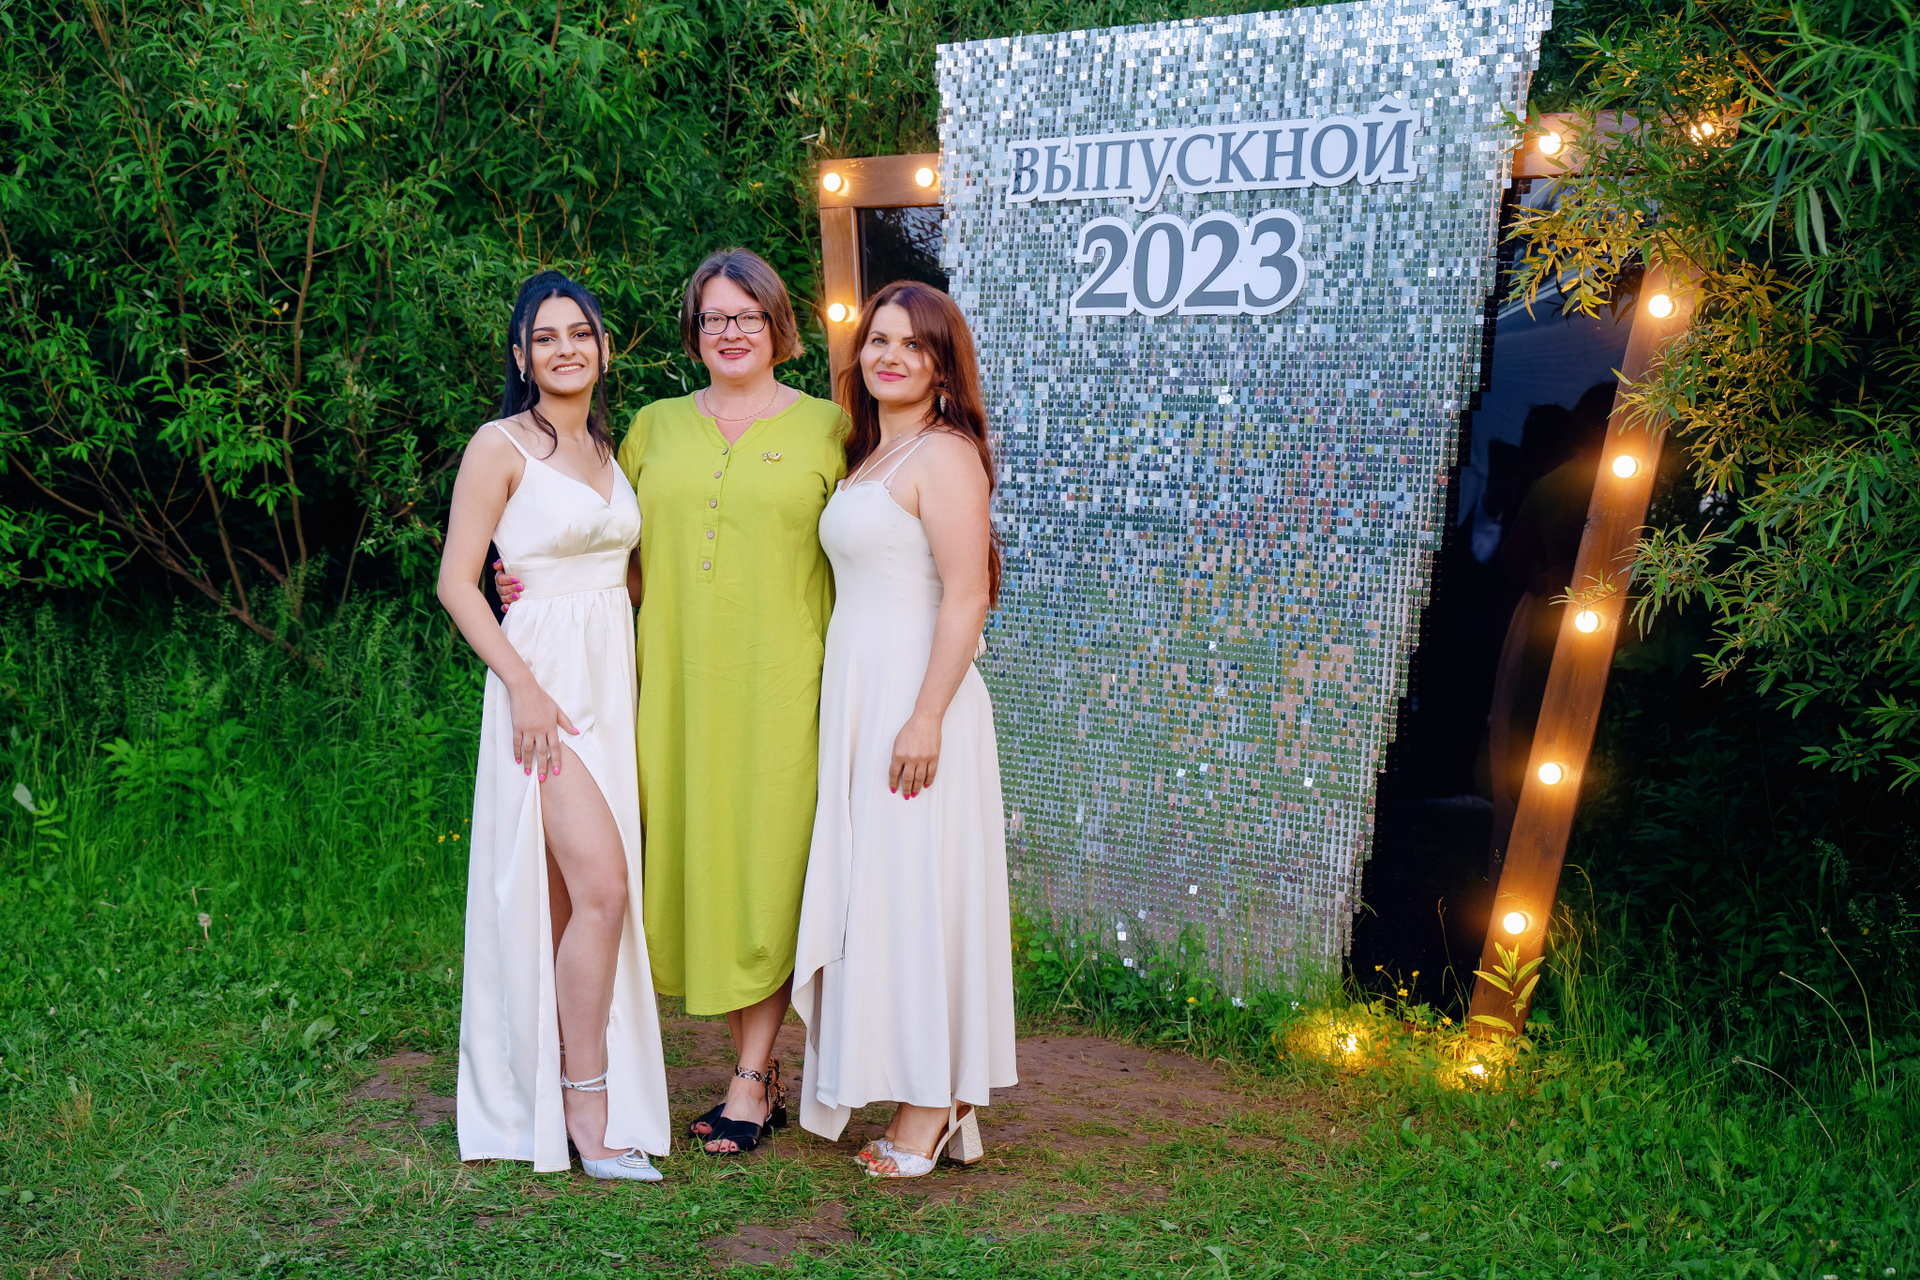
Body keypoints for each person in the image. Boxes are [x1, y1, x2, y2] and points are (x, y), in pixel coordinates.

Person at [496, 249, 846, 1155]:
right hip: (665, 690)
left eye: (748, 315)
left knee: (768, 871)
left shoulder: (830, 429)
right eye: (714, 317)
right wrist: (523, 576)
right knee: (701, 869)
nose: (732, 332)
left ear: (778, 326)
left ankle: (752, 1077)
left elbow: (871, 537)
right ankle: (735, 1067)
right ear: (693, 332)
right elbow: (607, 548)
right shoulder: (650, 429)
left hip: (784, 685)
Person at [439, 271, 669, 1181]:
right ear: (521, 355)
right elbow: (458, 581)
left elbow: (626, 574)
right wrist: (522, 685)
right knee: (603, 890)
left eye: (580, 333)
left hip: (611, 680)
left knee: (576, 902)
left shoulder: (612, 450)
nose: (565, 349)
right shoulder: (498, 446)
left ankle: (553, 1085)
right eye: (545, 337)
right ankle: (587, 1109)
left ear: (605, 349)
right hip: (542, 690)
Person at [792, 280, 1017, 1178]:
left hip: (919, 702)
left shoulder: (946, 455)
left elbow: (967, 595)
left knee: (919, 893)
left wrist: (925, 715)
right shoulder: (868, 455)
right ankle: (917, 1081)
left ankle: (935, 1100)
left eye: (912, 344)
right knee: (882, 892)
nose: (889, 355)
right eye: (878, 339)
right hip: (863, 696)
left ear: (941, 366)